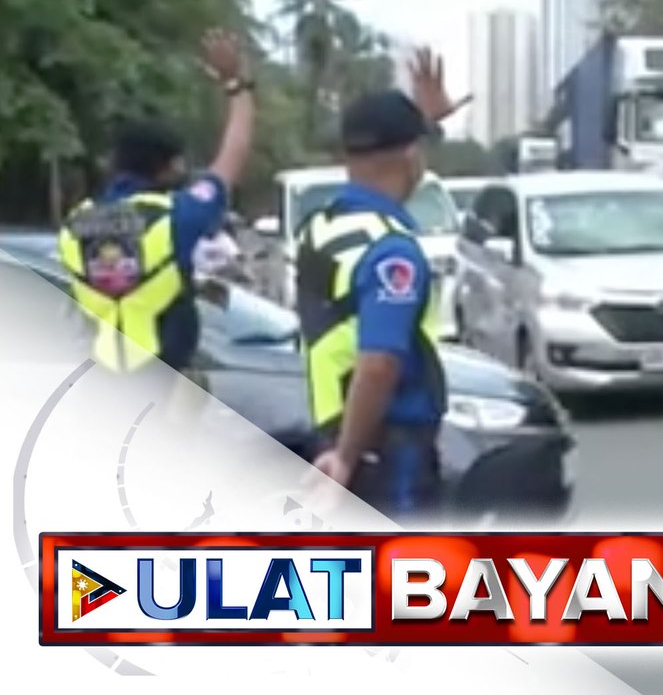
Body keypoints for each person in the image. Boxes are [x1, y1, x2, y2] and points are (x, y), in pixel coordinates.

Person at [296, 48, 470, 515]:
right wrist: (348, 458)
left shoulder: (320, 227)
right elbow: (379, 365)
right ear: (413, 155)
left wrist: (423, 121)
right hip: (387, 451)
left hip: (336, 430)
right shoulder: (393, 251)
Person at [57, 28, 255, 381]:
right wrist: (235, 86)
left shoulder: (74, 224)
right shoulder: (177, 217)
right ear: (170, 166)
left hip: (96, 387)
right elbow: (232, 159)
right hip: (161, 388)